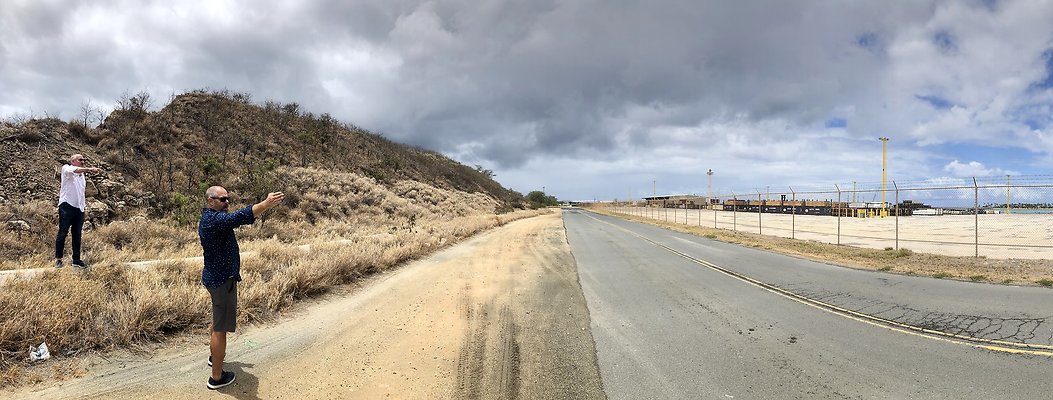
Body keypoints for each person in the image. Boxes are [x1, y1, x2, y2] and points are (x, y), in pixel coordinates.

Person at [199, 186, 284, 390]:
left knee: (217, 320)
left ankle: (214, 357)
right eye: (222, 199)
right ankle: (216, 377)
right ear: (210, 201)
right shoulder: (213, 220)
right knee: (220, 328)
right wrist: (265, 204)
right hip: (221, 281)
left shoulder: (212, 217)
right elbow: (239, 217)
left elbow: (234, 218)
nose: (227, 202)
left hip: (216, 279)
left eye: (228, 199)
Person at [55, 154, 102, 269]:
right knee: (63, 232)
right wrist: (90, 169)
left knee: (77, 234)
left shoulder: (82, 176)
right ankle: (58, 259)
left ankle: (76, 260)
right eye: (80, 160)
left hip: (79, 208)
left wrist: (83, 207)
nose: (83, 161)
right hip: (67, 206)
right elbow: (74, 170)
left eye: (84, 160)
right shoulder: (66, 168)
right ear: (73, 161)